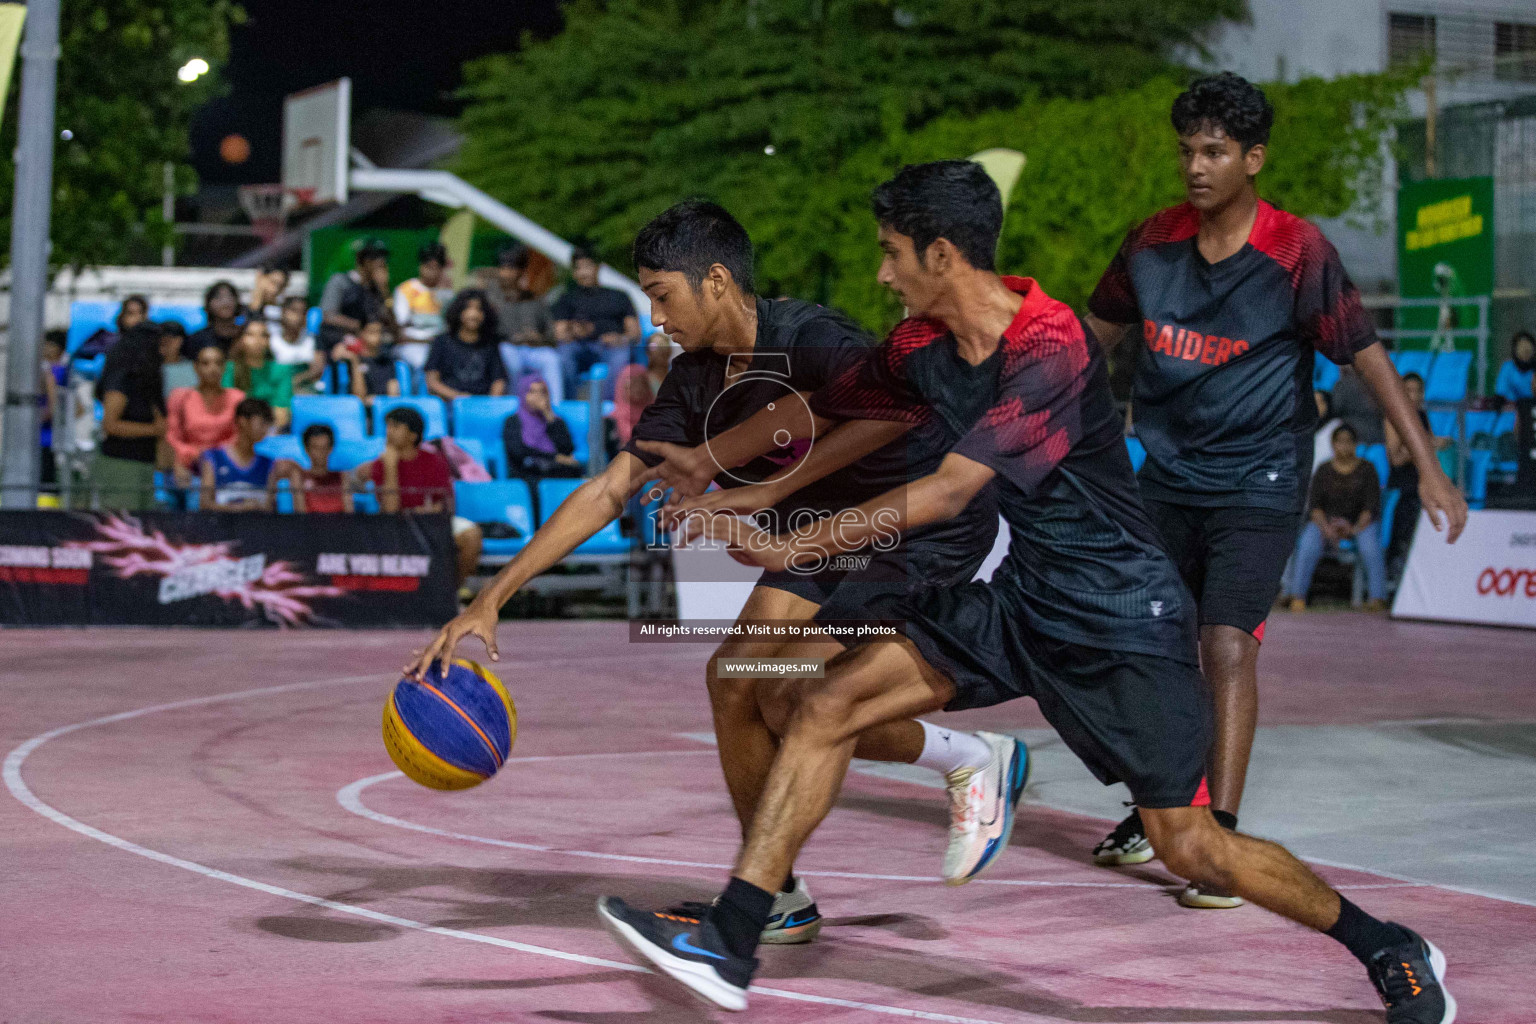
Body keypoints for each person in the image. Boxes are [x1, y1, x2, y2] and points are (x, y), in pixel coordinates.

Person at [597, 161, 1455, 1024]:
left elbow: (945, 492)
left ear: (941, 254)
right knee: (823, 706)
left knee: (1193, 848)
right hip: (1021, 600)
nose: (883, 274)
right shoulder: (921, 346)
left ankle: (1388, 945)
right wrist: (729, 471)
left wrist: (792, 537)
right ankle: (733, 939)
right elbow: (829, 407)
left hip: (1122, 620)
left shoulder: (1050, 345)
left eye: (893, 254)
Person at [410, 199, 1009, 946]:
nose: (655, 316)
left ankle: (966, 760)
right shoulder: (694, 380)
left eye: (662, 295)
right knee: (737, 679)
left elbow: (891, 416)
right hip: (818, 540)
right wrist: (491, 599)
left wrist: (758, 490)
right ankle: (782, 892)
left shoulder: (816, 339)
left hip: (911, 526)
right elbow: (607, 489)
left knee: (801, 701)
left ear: (717, 280)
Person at [1081, 72, 1466, 902]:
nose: (1196, 166)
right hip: (1167, 476)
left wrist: (1428, 465)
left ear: (1252, 159)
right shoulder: (1150, 244)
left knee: (1225, 645)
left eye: (1215, 151)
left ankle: (1218, 838)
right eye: (1187, 150)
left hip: (1259, 478)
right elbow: (1084, 340)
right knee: (1142, 645)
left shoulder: (1297, 251)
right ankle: (1162, 811)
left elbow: (1365, 351)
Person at [354, 406, 482, 590]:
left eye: (396, 427)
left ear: (413, 435)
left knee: (471, 535)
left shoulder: (434, 460)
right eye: (388, 426)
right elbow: (390, 511)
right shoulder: (381, 464)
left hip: (432, 522)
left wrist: (423, 513)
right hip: (395, 525)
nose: (389, 432)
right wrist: (390, 466)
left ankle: (453, 591)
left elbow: (445, 504)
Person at [1281, 424, 1388, 611]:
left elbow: (1371, 506)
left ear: (1356, 444)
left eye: (1348, 442)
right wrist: (1326, 528)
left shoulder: (1367, 469)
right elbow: (1314, 506)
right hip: (1326, 522)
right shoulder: (1323, 469)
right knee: (1308, 542)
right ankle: (1297, 595)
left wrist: (1353, 529)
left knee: (1370, 544)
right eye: (1340, 442)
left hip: (1359, 523)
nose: (1344, 447)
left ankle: (1377, 597)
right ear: (1332, 444)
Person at [89, 322, 166, 511]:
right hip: (121, 463)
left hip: (145, 461)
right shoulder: (121, 379)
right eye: (160, 346)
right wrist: (153, 430)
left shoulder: (149, 382)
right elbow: (111, 424)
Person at [551, 245, 641, 398]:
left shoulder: (619, 296)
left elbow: (635, 333)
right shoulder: (566, 299)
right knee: (563, 354)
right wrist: (574, 331)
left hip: (611, 347)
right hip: (579, 347)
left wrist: (621, 338)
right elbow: (559, 334)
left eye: (587, 267)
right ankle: (569, 406)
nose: (584, 273)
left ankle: (609, 411)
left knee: (621, 354)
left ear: (598, 268)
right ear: (573, 273)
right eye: (578, 268)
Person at [1385, 372, 1453, 570]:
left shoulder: (1422, 416)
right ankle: (1397, 561)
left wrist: (1437, 444)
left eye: (1418, 391)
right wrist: (1428, 444)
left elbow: (1427, 451)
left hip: (1423, 479)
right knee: (1409, 508)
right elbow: (1396, 458)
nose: (1413, 395)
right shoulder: (1392, 418)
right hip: (1403, 483)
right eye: (1408, 391)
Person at [486, 244, 564, 401]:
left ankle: (555, 410)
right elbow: (486, 330)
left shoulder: (534, 298)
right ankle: (516, 407)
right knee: (510, 359)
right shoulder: (490, 297)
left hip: (534, 349)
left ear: (521, 271)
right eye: (504, 268)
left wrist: (538, 338)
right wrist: (513, 337)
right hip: (505, 347)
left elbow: (551, 334)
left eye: (512, 268)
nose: (507, 273)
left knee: (552, 359)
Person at [166, 345, 245, 495]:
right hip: (189, 463)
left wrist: (211, 456)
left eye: (218, 363)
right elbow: (173, 436)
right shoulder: (180, 397)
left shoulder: (237, 398)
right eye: (206, 363)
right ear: (196, 367)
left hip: (226, 463)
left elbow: (240, 436)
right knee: (183, 482)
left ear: (224, 367)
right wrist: (188, 455)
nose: (213, 368)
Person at [425, 289, 509, 400]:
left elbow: (498, 380)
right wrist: (458, 397)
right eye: (468, 308)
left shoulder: (490, 344)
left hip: (482, 405)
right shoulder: (441, 341)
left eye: (479, 309)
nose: (473, 314)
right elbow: (432, 382)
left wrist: (490, 404)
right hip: (449, 404)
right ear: (458, 311)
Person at [199, 398, 277, 512]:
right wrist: (237, 508)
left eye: (268, 424)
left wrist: (256, 507)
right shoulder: (213, 458)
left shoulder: (268, 464)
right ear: (242, 421)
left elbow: (269, 508)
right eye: (262, 423)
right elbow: (205, 504)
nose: (265, 429)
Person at [503, 373, 582, 484]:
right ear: (523, 394)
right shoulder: (513, 421)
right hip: (527, 472)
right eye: (532, 392)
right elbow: (518, 452)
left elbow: (567, 449)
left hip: (555, 471)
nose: (538, 396)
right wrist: (554, 457)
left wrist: (549, 416)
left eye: (542, 392)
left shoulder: (555, 421)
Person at [320, 238, 393, 354]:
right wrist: (361, 327)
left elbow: (388, 322)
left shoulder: (377, 289)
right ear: (362, 260)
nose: (380, 262)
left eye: (382, 257)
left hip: (373, 340)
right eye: (374, 258)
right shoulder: (340, 281)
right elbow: (328, 316)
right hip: (343, 338)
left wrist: (385, 292)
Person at [393, 242, 454, 370]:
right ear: (421, 266)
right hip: (413, 344)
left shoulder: (448, 294)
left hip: (441, 345)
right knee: (424, 363)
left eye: (436, 267)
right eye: (428, 266)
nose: (432, 272)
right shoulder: (406, 290)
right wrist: (428, 341)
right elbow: (400, 328)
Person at [224, 319, 294, 430]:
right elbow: (227, 409)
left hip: (270, 430)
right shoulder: (228, 370)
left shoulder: (281, 370)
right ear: (240, 340)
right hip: (236, 429)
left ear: (268, 341)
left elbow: (282, 415)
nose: (257, 340)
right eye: (250, 335)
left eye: (263, 335)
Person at [276, 422, 352, 513]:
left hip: (341, 526)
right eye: (315, 448)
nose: (321, 453)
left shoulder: (342, 476)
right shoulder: (298, 476)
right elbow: (301, 514)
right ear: (306, 449)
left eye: (324, 447)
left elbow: (349, 513)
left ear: (331, 448)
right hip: (310, 526)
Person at [331, 317, 402, 404]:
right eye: (372, 332)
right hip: (360, 410)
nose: (377, 336)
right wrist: (355, 362)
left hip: (382, 408)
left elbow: (393, 393)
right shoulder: (352, 359)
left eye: (380, 332)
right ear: (361, 333)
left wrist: (380, 402)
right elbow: (358, 397)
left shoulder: (387, 360)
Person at [270, 296, 325, 393]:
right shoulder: (272, 340)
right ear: (283, 312)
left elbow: (318, 368)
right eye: (294, 311)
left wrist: (295, 381)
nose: (298, 316)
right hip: (277, 388)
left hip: (306, 388)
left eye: (303, 312)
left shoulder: (312, 339)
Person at [183, 281, 244, 360]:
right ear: (208, 304)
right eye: (218, 298)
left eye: (230, 297)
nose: (225, 302)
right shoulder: (196, 340)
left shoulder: (246, 336)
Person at [38, 333, 68, 493]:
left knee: (43, 484)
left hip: (44, 438)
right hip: (52, 437)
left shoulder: (51, 372)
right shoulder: (63, 371)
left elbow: (53, 405)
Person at [76, 294, 148, 358]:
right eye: (131, 313)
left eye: (140, 313)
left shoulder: (150, 341)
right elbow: (83, 351)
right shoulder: (108, 339)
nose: (137, 318)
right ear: (122, 315)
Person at [607, 363, 656, 455]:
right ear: (623, 387)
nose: (638, 389)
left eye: (641, 383)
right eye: (633, 384)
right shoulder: (611, 422)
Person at [1494, 330, 1535, 406]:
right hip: (1512, 410)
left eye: (1528, 348)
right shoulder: (1508, 367)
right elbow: (1500, 393)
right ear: (1515, 350)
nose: (1525, 351)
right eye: (1521, 347)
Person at [158, 322, 197, 393]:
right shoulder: (151, 368)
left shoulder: (193, 368)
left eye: (170, 339)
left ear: (181, 341)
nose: (165, 342)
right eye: (162, 341)